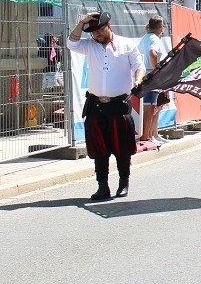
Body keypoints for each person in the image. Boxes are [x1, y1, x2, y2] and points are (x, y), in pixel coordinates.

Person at [67, 11, 145, 201]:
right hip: (96, 104)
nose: (96, 35)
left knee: (122, 147)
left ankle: (123, 182)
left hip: (119, 103)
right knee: (99, 148)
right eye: (93, 33)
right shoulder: (90, 46)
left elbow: (139, 66)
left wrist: (138, 80)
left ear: (107, 26)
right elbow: (71, 43)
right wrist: (82, 22)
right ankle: (102, 186)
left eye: (99, 31)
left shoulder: (127, 44)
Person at [137, 15, 169, 143]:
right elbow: (153, 53)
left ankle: (150, 135)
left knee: (150, 106)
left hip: (144, 74)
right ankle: (147, 136)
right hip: (151, 75)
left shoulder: (144, 38)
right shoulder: (154, 39)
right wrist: (156, 69)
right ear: (160, 27)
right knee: (151, 107)